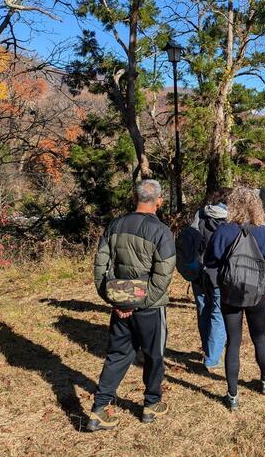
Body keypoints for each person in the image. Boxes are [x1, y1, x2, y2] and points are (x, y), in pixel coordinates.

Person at [87, 180, 176, 431]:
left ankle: (99, 409)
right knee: (154, 356)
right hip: (150, 308)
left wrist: (114, 299)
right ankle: (151, 404)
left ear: (133, 196)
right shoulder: (161, 231)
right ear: (159, 201)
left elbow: (100, 267)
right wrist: (139, 303)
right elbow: (163, 276)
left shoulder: (115, 225)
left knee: (117, 355)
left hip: (120, 306)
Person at [204, 187, 265, 411]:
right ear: (256, 206)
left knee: (234, 342)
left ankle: (232, 396)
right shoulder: (263, 232)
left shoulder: (223, 231)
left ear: (232, 205)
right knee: (259, 338)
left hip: (230, 295)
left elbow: (210, 265)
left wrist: (219, 286)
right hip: (256, 295)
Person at [184, 190, 230, 371]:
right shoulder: (231, 220)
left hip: (198, 272)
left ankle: (208, 349)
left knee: (203, 310)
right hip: (219, 274)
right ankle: (212, 359)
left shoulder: (200, 215)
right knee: (217, 314)